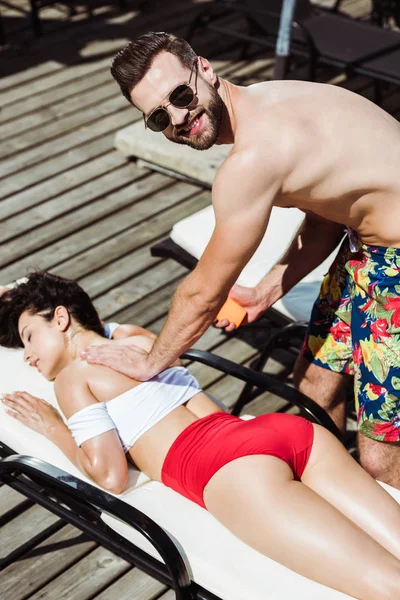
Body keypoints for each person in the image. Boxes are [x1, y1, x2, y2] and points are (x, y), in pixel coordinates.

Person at [79, 31, 400, 488]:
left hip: (393, 264)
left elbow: (203, 293)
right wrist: (268, 289)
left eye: (181, 94)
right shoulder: (275, 96)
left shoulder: (250, 162)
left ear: (205, 69)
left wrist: (153, 362)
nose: (178, 117)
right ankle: (346, 496)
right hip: (366, 252)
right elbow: (329, 215)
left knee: (382, 455)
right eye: (157, 117)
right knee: (313, 382)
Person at [1, 271, 400, 599]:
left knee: (386, 586)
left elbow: (110, 476)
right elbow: (95, 323)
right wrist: (21, 298)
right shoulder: (134, 339)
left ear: (60, 318)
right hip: (284, 432)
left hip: (231, 471)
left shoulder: (72, 380)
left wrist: (51, 425)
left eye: (29, 337)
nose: (28, 356)